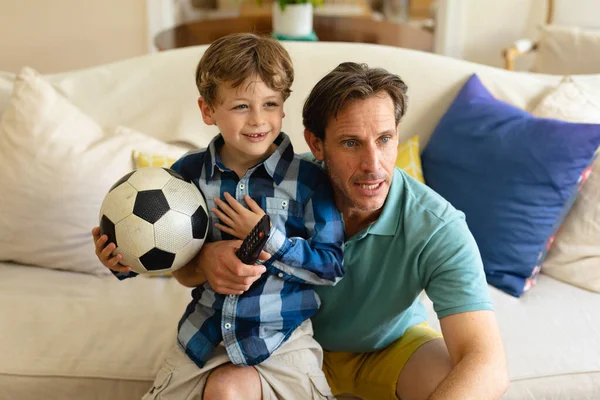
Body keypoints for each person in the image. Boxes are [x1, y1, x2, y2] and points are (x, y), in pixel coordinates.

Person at [177, 62, 510, 400]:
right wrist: (204, 261)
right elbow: (185, 267)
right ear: (317, 145)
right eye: (351, 143)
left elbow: (486, 362)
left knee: (454, 380)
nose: (373, 165)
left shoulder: (437, 226)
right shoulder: (276, 187)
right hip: (284, 347)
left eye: (384, 139)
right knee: (226, 391)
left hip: (390, 347)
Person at [92, 33, 344, 399]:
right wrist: (120, 260)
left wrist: (267, 237)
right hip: (206, 331)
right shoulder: (186, 176)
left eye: (270, 104)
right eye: (241, 106)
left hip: (281, 337)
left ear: (284, 108)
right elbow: (162, 249)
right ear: (208, 110)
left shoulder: (308, 181)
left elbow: (331, 267)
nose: (258, 119)